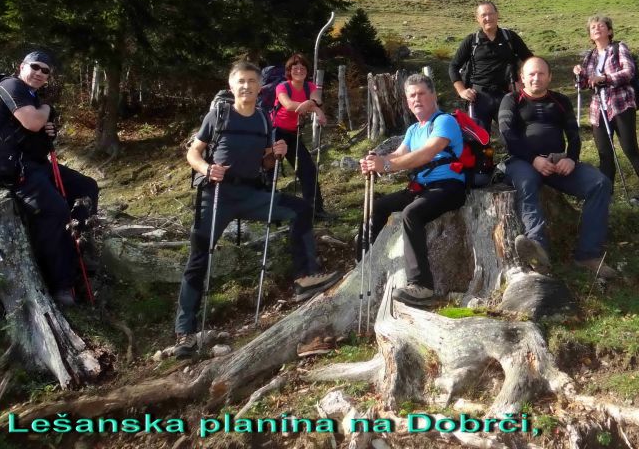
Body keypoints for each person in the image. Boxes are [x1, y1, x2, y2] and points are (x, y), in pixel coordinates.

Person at [175, 61, 340, 357]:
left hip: (252, 193)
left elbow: (264, 163)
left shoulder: (265, 120)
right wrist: (207, 168)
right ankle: (185, 332)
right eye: (241, 81)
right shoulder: (218, 115)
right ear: (231, 85)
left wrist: (274, 155)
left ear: (259, 86)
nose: (246, 86)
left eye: (252, 81)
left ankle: (305, 276)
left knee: (301, 209)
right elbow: (193, 152)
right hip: (217, 195)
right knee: (199, 255)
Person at [0, 50, 98, 307]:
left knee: (86, 187)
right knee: (55, 211)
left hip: (37, 164)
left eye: (45, 70)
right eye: (35, 67)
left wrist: (49, 126)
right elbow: (32, 122)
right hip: (14, 169)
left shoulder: (31, 95)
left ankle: (77, 246)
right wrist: (46, 111)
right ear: (22, 66)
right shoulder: (10, 86)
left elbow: (37, 128)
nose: (39, 73)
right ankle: (60, 284)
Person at [498, 56, 616, 279]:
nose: (536, 78)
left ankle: (588, 255)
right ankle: (538, 250)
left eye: (541, 73)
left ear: (549, 77)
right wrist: (533, 159)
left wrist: (571, 158)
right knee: (527, 182)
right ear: (522, 77)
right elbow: (507, 135)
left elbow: (574, 135)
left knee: (600, 184)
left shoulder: (560, 100)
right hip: (522, 161)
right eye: (531, 74)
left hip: (557, 163)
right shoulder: (511, 100)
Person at [359, 74, 465, 307]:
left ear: (433, 96)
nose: (416, 99)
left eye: (421, 93)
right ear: (407, 102)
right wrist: (376, 160)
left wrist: (385, 165)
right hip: (421, 187)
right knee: (377, 207)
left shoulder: (444, 122)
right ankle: (362, 264)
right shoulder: (413, 129)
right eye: (411, 96)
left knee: (412, 213)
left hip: (449, 186)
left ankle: (422, 286)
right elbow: (399, 154)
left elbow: (425, 154)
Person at [573, 15, 639, 210]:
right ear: (590, 35)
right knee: (604, 153)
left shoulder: (619, 48)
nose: (597, 29)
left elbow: (629, 72)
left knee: (629, 148)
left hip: (620, 104)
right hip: (598, 108)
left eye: (601, 26)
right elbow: (584, 84)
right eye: (593, 27)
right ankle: (606, 195)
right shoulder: (589, 56)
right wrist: (579, 74)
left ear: (609, 31)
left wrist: (605, 78)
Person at [448, 1, 532, 132]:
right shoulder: (471, 41)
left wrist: (521, 82)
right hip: (479, 96)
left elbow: (530, 61)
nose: (488, 18)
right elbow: (453, 66)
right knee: (479, 141)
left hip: (506, 94)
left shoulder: (510, 37)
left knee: (514, 134)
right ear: (478, 19)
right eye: (483, 15)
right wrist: (462, 91)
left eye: (491, 14)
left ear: (497, 15)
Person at [270, 53, 331, 220]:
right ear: (289, 71)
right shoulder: (282, 87)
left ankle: (314, 211)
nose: (299, 70)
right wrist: (315, 108)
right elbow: (289, 105)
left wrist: (314, 106)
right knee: (270, 171)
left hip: (293, 133)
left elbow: (316, 99)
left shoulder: (310, 86)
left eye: (302, 68)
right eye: (295, 68)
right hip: (276, 133)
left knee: (308, 170)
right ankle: (268, 209)